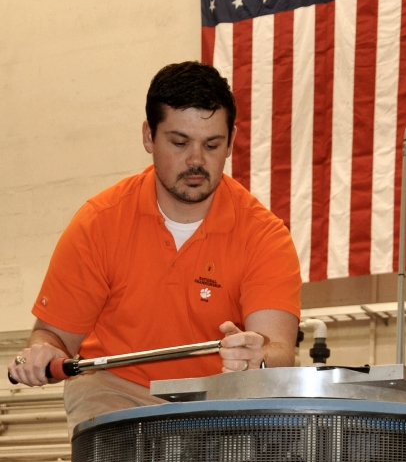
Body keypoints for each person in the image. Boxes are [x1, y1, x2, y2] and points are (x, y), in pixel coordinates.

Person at [8, 61, 302, 436]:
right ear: (149, 136)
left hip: (218, 401)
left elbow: (278, 350)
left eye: (211, 144)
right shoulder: (100, 222)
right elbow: (54, 337)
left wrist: (256, 358)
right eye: (179, 143)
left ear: (230, 142)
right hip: (114, 391)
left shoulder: (264, 235)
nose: (196, 160)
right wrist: (42, 353)